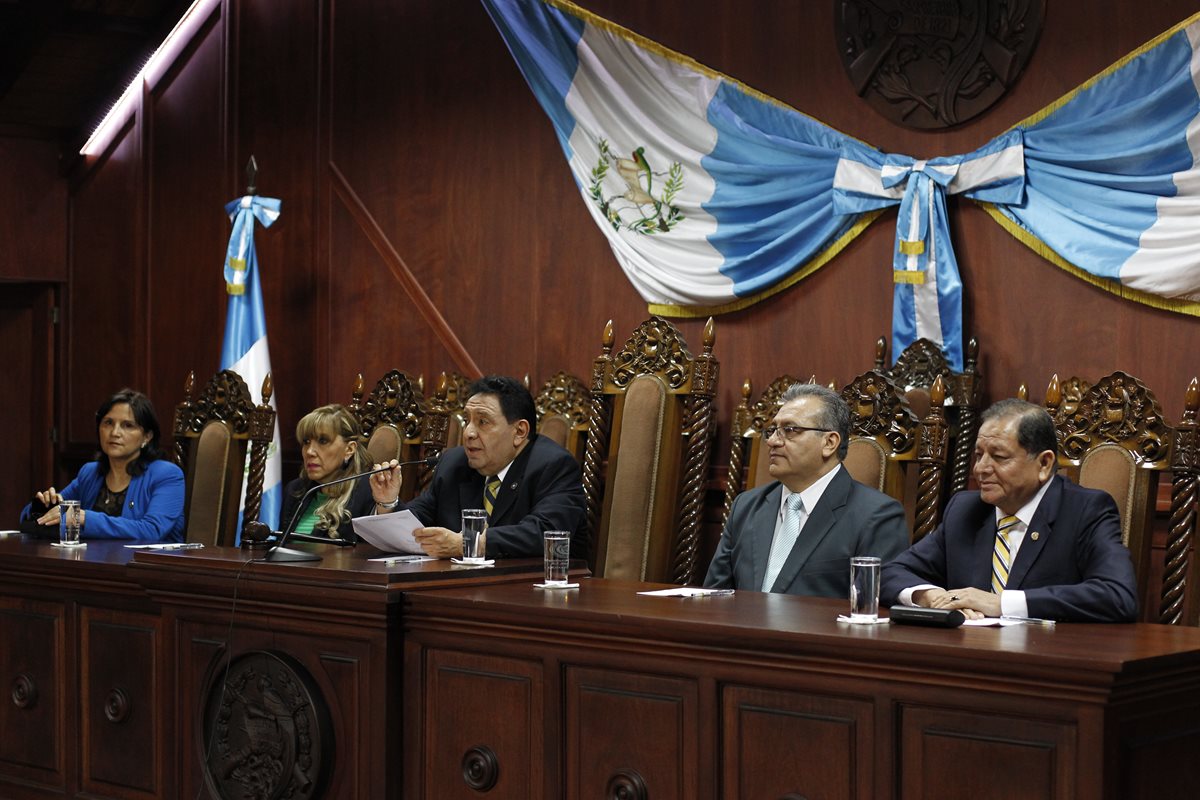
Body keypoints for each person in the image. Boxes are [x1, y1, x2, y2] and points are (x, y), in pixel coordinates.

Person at [881, 398, 1138, 623]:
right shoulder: (965, 510)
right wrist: (930, 596)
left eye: (999, 457)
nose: (981, 469)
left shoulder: (1085, 511)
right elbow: (889, 573)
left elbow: (1117, 595)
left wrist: (1002, 604)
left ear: (1044, 463)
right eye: (979, 455)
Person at [703, 383, 909, 596]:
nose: (772, 441)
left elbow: (872, 611)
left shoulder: (876, 516)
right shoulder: (746, 507)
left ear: (829, 442)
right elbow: (714, 597)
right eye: (773, 430)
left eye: (790, 430)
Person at [369, 375, 585, 559]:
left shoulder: (553, 466)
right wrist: (389, 503)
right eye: (467, 420)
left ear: (519, 432)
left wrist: (467, 544)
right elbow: (418, 522)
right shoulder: (454, 464)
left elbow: (546, 533)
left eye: (483, 422)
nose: (469, 433)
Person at [20, 388, 185, 542]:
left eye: (128, 425)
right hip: (95, 565)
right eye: (108, 423)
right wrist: (42, 509)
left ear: (147, 437)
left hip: (148, 569)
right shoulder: (90, 473)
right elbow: (60, 514)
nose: (115, 432)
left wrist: (84, 517)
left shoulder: (167, 475)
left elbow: (152, 530)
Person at [278, 404, 375, 541]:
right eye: (306, 442)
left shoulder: (368, 493)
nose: (310, 451)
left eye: (323, 441)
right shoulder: (295, 491)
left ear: (349, 449)